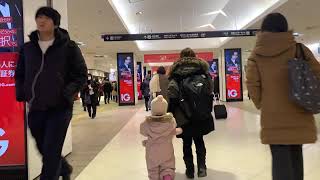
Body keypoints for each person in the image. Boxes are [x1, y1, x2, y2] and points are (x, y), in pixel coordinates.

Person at [15, 7, 87, 180]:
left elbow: (81, 75)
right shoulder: (28, 48)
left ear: (55, 23)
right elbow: (20, 73)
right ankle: (65, 168)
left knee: (51, 151)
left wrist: (66, 93)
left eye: (46, 17)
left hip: (60, 108)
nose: (41, 20)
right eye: (39, 17)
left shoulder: (69, 47)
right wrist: (21, 92)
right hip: (36, 107)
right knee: (43, 148)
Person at [246, 13, 320, 180]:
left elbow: (252, 85)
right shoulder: (299, 50)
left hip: (273, 118)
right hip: (299, 113)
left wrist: (264, 104)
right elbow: (318, 75)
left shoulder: (256, 56)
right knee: (296, 157)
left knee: (280, 162)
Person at [167, 48, 214, 179]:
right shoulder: (203, 69)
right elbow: (210, 89)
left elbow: (172, 93)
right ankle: (202, 168)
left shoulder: (176, 72)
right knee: (199, 140)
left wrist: (170, 112)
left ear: (180, 57)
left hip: (183, 114)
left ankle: (189, 171)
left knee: (186, 142)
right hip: (201, 112)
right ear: (194, 56)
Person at [140, 95, 183, 180]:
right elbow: (174, 131)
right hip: (167, 150)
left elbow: (143, 132)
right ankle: (167, 176)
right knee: (167, 167)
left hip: (152, 151)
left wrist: (146, 142)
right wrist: (180, 130)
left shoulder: (147, 123)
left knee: (153, 169)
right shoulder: (170, 121)